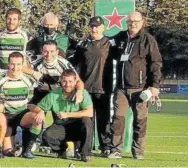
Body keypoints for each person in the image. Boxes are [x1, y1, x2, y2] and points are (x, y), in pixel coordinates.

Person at [108, 11, 162, 160]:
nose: (132, 24)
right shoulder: (120, 37)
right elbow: (106, 45)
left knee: (140, 121)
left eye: (136, 21)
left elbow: (155, 63)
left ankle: (138, 151)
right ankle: (115, 150)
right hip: (121, 88)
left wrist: (154, 85)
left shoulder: (148, 40)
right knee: (118, 120)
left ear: (142, 22)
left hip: (141, 88)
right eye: (130, 21)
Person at [69, 16, 115, 156]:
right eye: (92, 26)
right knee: (85, 121)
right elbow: (73, 66)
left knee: (104, 120)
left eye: (97, 26)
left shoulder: (110, 43)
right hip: (85, 90)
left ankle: (105, 147)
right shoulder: (82, 45)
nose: (94, 29)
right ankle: (83, 148)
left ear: (103, 27)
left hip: (103, 89)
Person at [0, 52, 40, 158]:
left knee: (37, 118)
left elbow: (30, 100)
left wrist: (40, 111)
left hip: (21, 115)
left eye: (18, 64)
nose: (15, 67)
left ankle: (27, 150)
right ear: (8, 64)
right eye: (12, 64)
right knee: (8, 151)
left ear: (23, 65)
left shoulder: (30, 80)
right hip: (6, 116)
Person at [29, 69, 94, 162]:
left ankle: (85, 154)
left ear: (76, 82)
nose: (67, 84)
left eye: (70, 81)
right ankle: (63, 149)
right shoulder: (54, 94)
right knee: (47, 135)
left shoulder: (83, 93)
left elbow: (89, 112)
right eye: (64, 81)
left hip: (78, 125)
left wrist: (67, 114)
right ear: (61, 81)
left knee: (87, 121)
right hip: (61, 125)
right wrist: (41, 111)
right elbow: (37, 107)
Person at [0, 8, 30, 73]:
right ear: (6, 19)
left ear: (19, 21)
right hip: (1, 74)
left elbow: (25, 56)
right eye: (9, 19)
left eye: (14, 19)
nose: (11, 22)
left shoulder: (24, 35)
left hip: (18, 74)